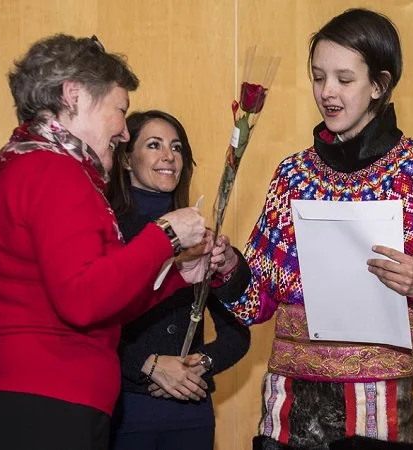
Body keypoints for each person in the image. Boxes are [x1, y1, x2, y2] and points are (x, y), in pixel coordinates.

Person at [219, 9, 413, 450]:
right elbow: (255, 305)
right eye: (318, 77)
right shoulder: (292, 175)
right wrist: (227, 265)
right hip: (286, 413)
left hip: (377, 416)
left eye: (344, 79)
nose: (327, 92)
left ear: (379, 85)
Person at [0, 35, 222, 450]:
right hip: (42, 407)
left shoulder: (22, 165)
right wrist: (164, 235)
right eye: (120, 110)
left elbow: (101, 299)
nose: (124, 132)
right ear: (73, 96)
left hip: (28, 401)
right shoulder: (53, 171)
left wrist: (176, 274)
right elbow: (82, 300)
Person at [106, 110, 251, 450]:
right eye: (154, 145)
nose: (168, 156)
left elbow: (238, 330)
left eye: (177, 147)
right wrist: (147, 364)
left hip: (191, 408)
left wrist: (202, 363)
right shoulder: (109, 231)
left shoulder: (199, 235)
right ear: (126, 160)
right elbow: (90, 320)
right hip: (126, 406)